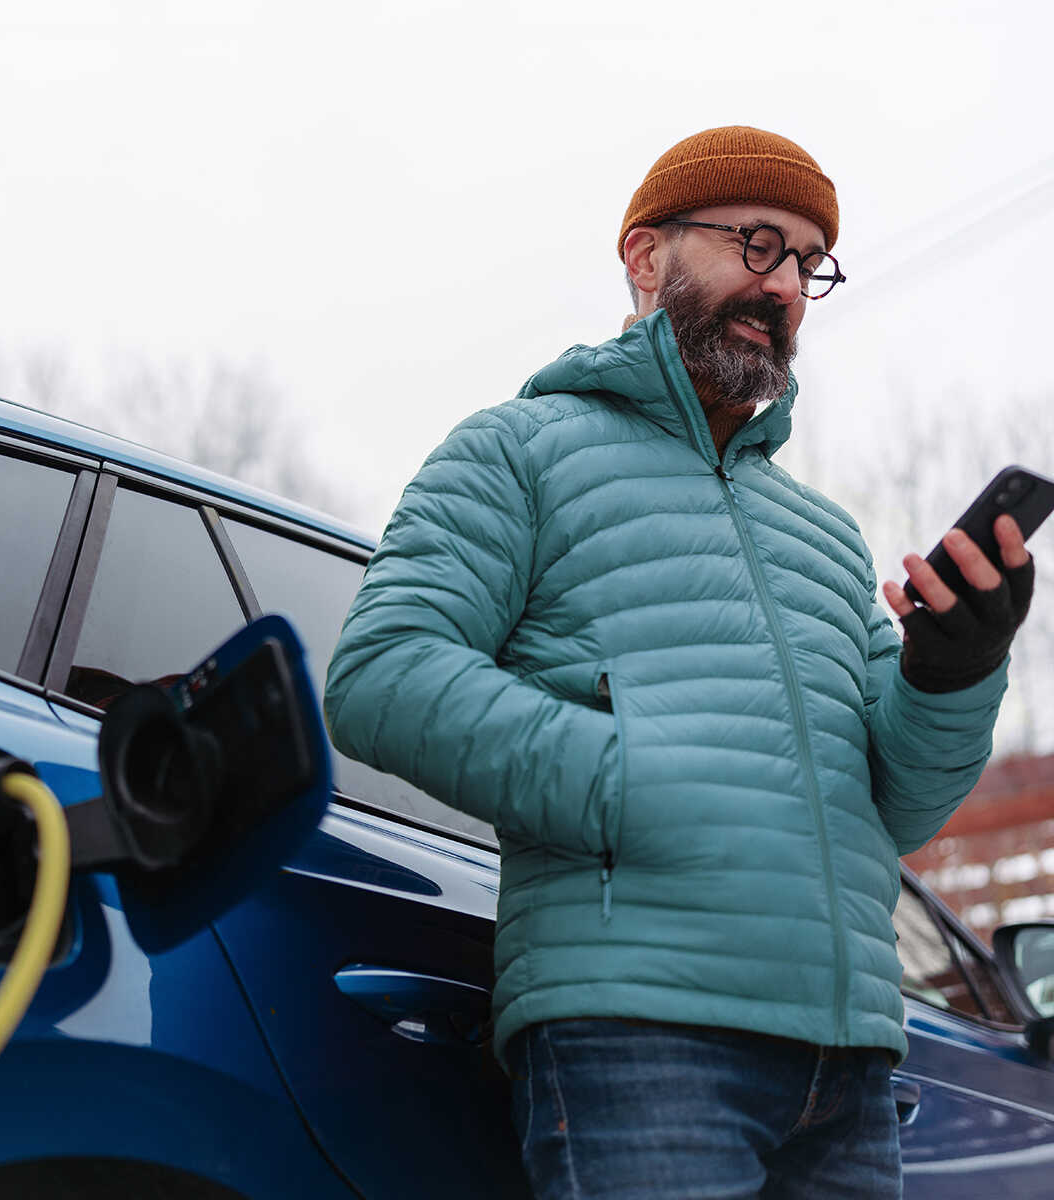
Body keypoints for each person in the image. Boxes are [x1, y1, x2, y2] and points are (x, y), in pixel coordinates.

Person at [323, 126, 1035, 1199]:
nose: (785, 285)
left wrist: (954, 667)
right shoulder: (517, 451)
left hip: (845, 1059)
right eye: (757, 244)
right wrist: (634, 780)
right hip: (639, 1032)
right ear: (644, 258)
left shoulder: (823, 536)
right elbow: (381, 674)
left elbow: (891, 809)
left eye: (808, 263)